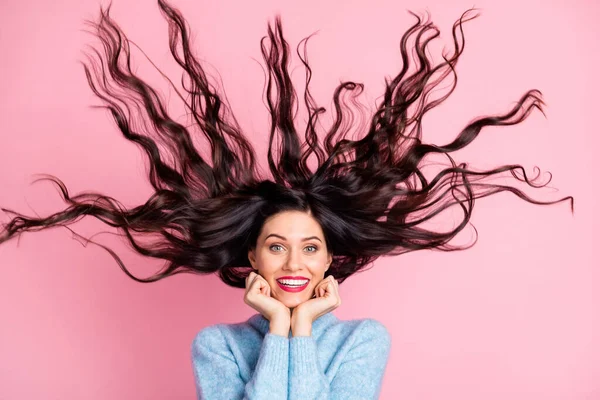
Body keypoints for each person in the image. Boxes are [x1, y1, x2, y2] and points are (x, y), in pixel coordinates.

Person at [0, 1, 573, 399]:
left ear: (330, 259)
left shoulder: (362, 339)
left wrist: (305, 326)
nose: (295, 264)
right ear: (253, 256)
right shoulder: (217, 345)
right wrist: (281, 326)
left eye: (309, 248)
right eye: (277, 247)